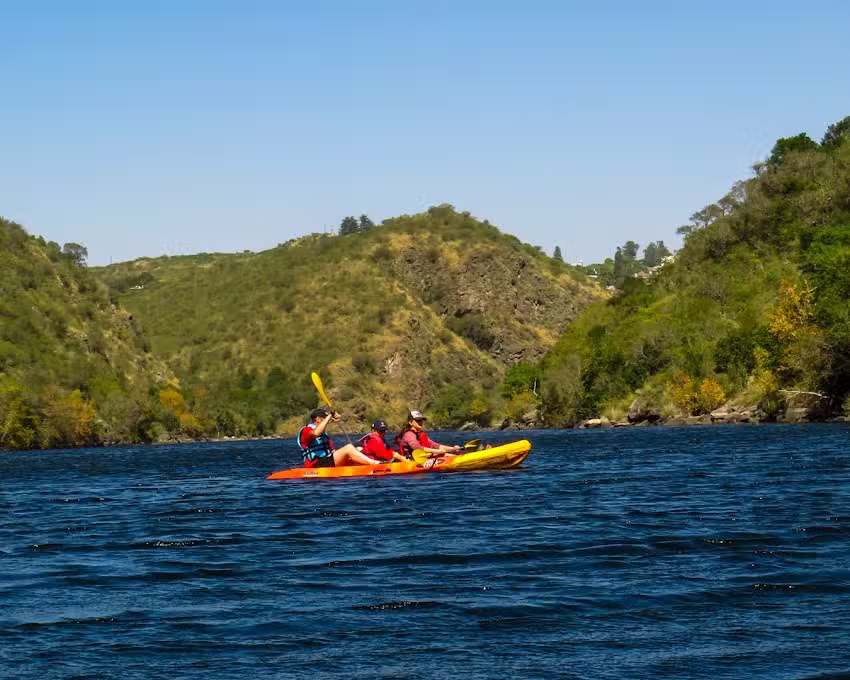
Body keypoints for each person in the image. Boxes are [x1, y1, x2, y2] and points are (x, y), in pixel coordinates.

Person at [297, 408, 383, 468]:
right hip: (315, 464)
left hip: (326, 461)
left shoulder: (324, 434)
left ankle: (374, 462)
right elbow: (316, 433)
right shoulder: (306, 430)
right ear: (318, 419)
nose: (328, 421)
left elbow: (333, 452)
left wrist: (351, 453)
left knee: (359, 449)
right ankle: (375, 464)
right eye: (325, 418)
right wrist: (330, 415)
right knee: (348, 448)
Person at [395, 410, 461, 460]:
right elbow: (417, 447)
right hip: (411, 460)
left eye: (421, 420)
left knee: (448, 455)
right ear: (410, 422)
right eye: (418, 420)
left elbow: (434, 445)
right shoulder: (408, 435)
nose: (420, 422)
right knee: (443, 454)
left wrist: (453, 449)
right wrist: (437, 451)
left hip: (423, 458)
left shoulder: (420, 433)